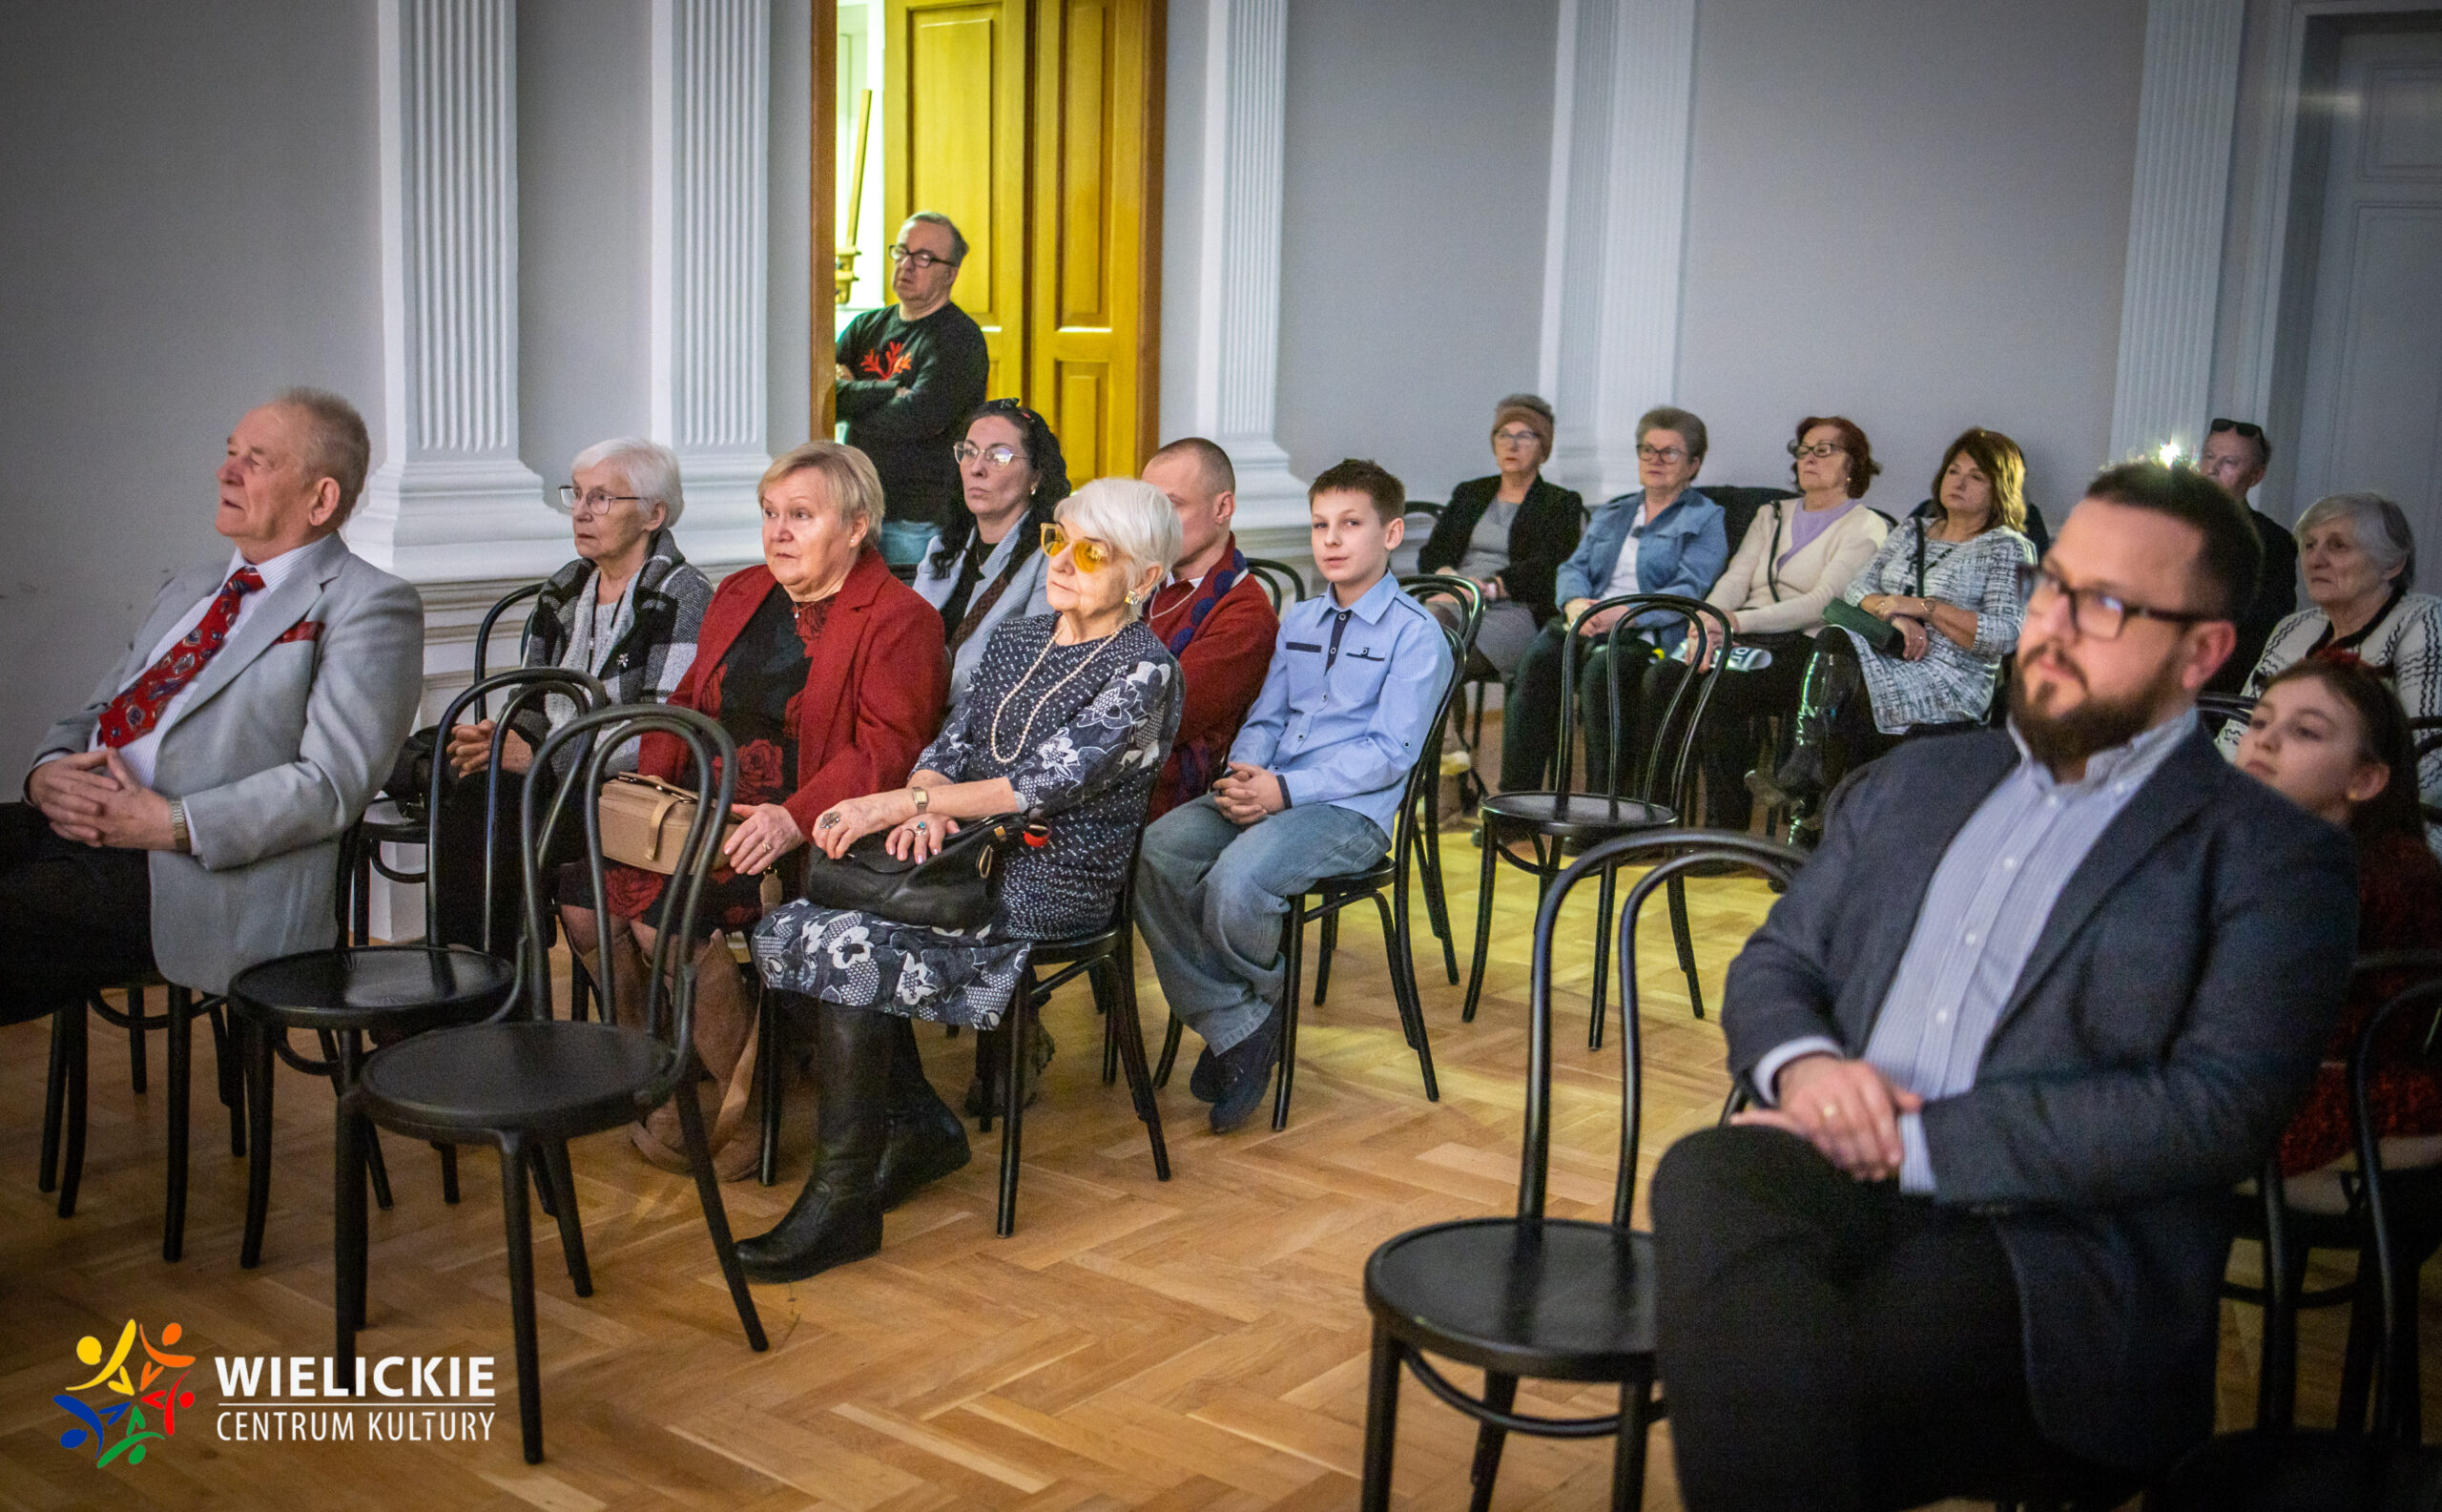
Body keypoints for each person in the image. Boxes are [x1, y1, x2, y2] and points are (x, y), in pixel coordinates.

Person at [1649, 461, 2359, 1512]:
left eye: (2105, 605)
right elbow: (1779, 961)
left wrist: (1911, 1141)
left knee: (1797, 1380)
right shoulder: (1917, 779)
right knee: (1709, 1172)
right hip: (1838, 1173)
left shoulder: (2267, 854)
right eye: (2051, 587)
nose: (2051, 626)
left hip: (2054, 1246)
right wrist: (1806, 1071)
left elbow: (2216, 1110)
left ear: (2203, 650)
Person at [742, 477, 1185, 1280]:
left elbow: (1040, 784)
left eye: (1094, 553)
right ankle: (917, 1124)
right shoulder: (1018, 639)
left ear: (1145, 577)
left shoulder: (1146, 669)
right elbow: (951, 742)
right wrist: (926, 804)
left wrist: (902, 803)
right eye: (1058, 540)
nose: (1063, 562)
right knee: (800, 924)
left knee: (846, 943)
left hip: (1048, 877)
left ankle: (843, 1200)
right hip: (963, 855)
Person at [561, 442, 946, 1182]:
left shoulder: (900, 618)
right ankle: (667, 1074)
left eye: (801, 515)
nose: (779, 531)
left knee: (663, 920)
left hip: (803, 833)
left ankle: (746, 1101)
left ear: (856, 526)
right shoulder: (741, 592)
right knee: (583, 901)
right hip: (696, 814)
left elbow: (886, 752)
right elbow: (684, 704)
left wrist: (792, 819)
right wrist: (649, 799)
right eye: (770, 513)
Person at [7, 390, 423, 1020]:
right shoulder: (190, 587)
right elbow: (95, 712)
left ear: (321, 499)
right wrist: (45, 775)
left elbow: (331, 785)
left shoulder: (369, 604)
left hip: (190, 875)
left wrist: (169, 823)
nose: (226, 471)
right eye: (231, 453)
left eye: (257, 460)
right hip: (73, 828)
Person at [1134, 460, 1454, 1133]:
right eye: (1319, 525)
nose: (1331, 539)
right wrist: (1247, 770)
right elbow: (1268, 715)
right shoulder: (1301, 620)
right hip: (1271, 788)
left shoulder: (1415, 634)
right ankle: (1243, 1020)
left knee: (1236, 882)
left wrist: (1285, 789)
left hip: (1349, 811)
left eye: (1351, 524)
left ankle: (1241, 1021)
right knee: (1156, 852)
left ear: (1392, 533)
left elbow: (1389, 753)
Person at [435, 437, 713, 946]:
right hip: (554, 774)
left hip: (622, 790)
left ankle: (493, 973)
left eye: (601, 498)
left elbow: (660, 732)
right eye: (577, 494)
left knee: (492, 809)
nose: (581, 512)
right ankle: (476, 968)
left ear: (654, 514)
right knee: (472, 786)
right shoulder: (564, 587)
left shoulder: (683, 595)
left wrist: (541, 759)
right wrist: (509, 736)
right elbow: (532, 697)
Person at [2234, 656, 2442, 1198]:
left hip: (2339, 1087)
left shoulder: (2378, 869)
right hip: (2268, 1079)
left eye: (2305, 731)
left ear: (2364, 779)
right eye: (2259, 722)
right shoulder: (2264, 849)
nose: (2265, 740)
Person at [1755, 427, 2038, 819]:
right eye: (1954, 471)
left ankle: (1809, 804)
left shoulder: (2010, 547)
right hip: (1888, 654)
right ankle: (1815, 792)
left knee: (1844, 695)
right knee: (1837, 643)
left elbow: (2007, 634)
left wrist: (1924, 607)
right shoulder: (1912, 530)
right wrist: (1895, 614)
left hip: (1949, 678)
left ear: (2000, 490)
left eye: (1976, 477)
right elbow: (1856, 590)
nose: (1959, 483)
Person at [1657, 415, 1889, 828]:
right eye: (1803, 450)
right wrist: (1706, 622)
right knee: (1661, 677)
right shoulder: (1772, 514)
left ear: (1853, 464)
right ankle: (1653, 813)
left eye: (1824, 450)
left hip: (1805, 648)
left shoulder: (1866, 525)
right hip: (1743, 636)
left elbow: (1822, 604)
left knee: (1721, 690)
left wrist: (1736, 623)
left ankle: (1725, 829)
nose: (1809, 458)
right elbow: (1735, 579)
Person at [1500, 405, 1719, 794]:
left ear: (1694, 464)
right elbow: (1573, 566)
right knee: (1537, 665)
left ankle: (1605, 804)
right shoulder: (1616, 511)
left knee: (1603, 672)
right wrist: (1574, 603)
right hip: (1588, 617)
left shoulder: (1706, 517)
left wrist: (1627, 614)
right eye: (1647, 449)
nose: (1655, 460)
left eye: (1669, 452)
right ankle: (1516, 799)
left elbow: (1690, 589)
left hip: (1649, 630)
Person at [2216, 489, 2440, 849]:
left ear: (2392, 565)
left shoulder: (2424, 621)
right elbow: (2239, 728)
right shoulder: (2294, 628)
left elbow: (2427, 764)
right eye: (2309, 545)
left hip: (2382, 827)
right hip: (2270, 813)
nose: (2315, 560)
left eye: (2338, 546)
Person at [835, 211, 990, 569]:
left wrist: (855, 394)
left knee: (908, 604)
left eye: (924, 257)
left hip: (917, 518)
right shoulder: (864, 326)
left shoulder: (958, 338)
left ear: (950, 273)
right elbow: (828, 398)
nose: (907, 264)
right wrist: (889, 390)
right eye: (902, 252)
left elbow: (919, 418)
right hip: (856, 507)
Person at [1139, 436, 1279, 818]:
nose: (1154, 523)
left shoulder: (1245, 615)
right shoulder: (1138, 583)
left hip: (1160, 796)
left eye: (1171, 506)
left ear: (1222, 507)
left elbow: (1157, 719)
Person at [910, 400, 1068, 709]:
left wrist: (922, 689)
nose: (976, 468)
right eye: (969, 452)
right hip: (920, 711)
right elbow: (905, 639)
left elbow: (1028, 668)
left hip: (986, 721)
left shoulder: (1052, 555)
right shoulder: (943, 547)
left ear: (1036, 476)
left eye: (998, 457)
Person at [1417, 393, 1584, 676]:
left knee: (1428, 649)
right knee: (1423, 639)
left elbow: (1550, 568)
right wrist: (1452, 581)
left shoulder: (1560, 503)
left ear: (1543, 449)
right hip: (1454, 598)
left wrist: (1487, 589)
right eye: (1503, 434)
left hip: (1513, 611)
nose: (1512, 444)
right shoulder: (1471, 493)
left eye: (1525, 436)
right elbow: (1434, 552)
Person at [2197, 417, 2301, 693]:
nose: (2212, 469)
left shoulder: (2272, 541)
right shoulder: (2165, 524)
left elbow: (2264, 630)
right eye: (2209, 456)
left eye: (2229, 462)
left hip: (2221, 690)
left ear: (2256, 475)